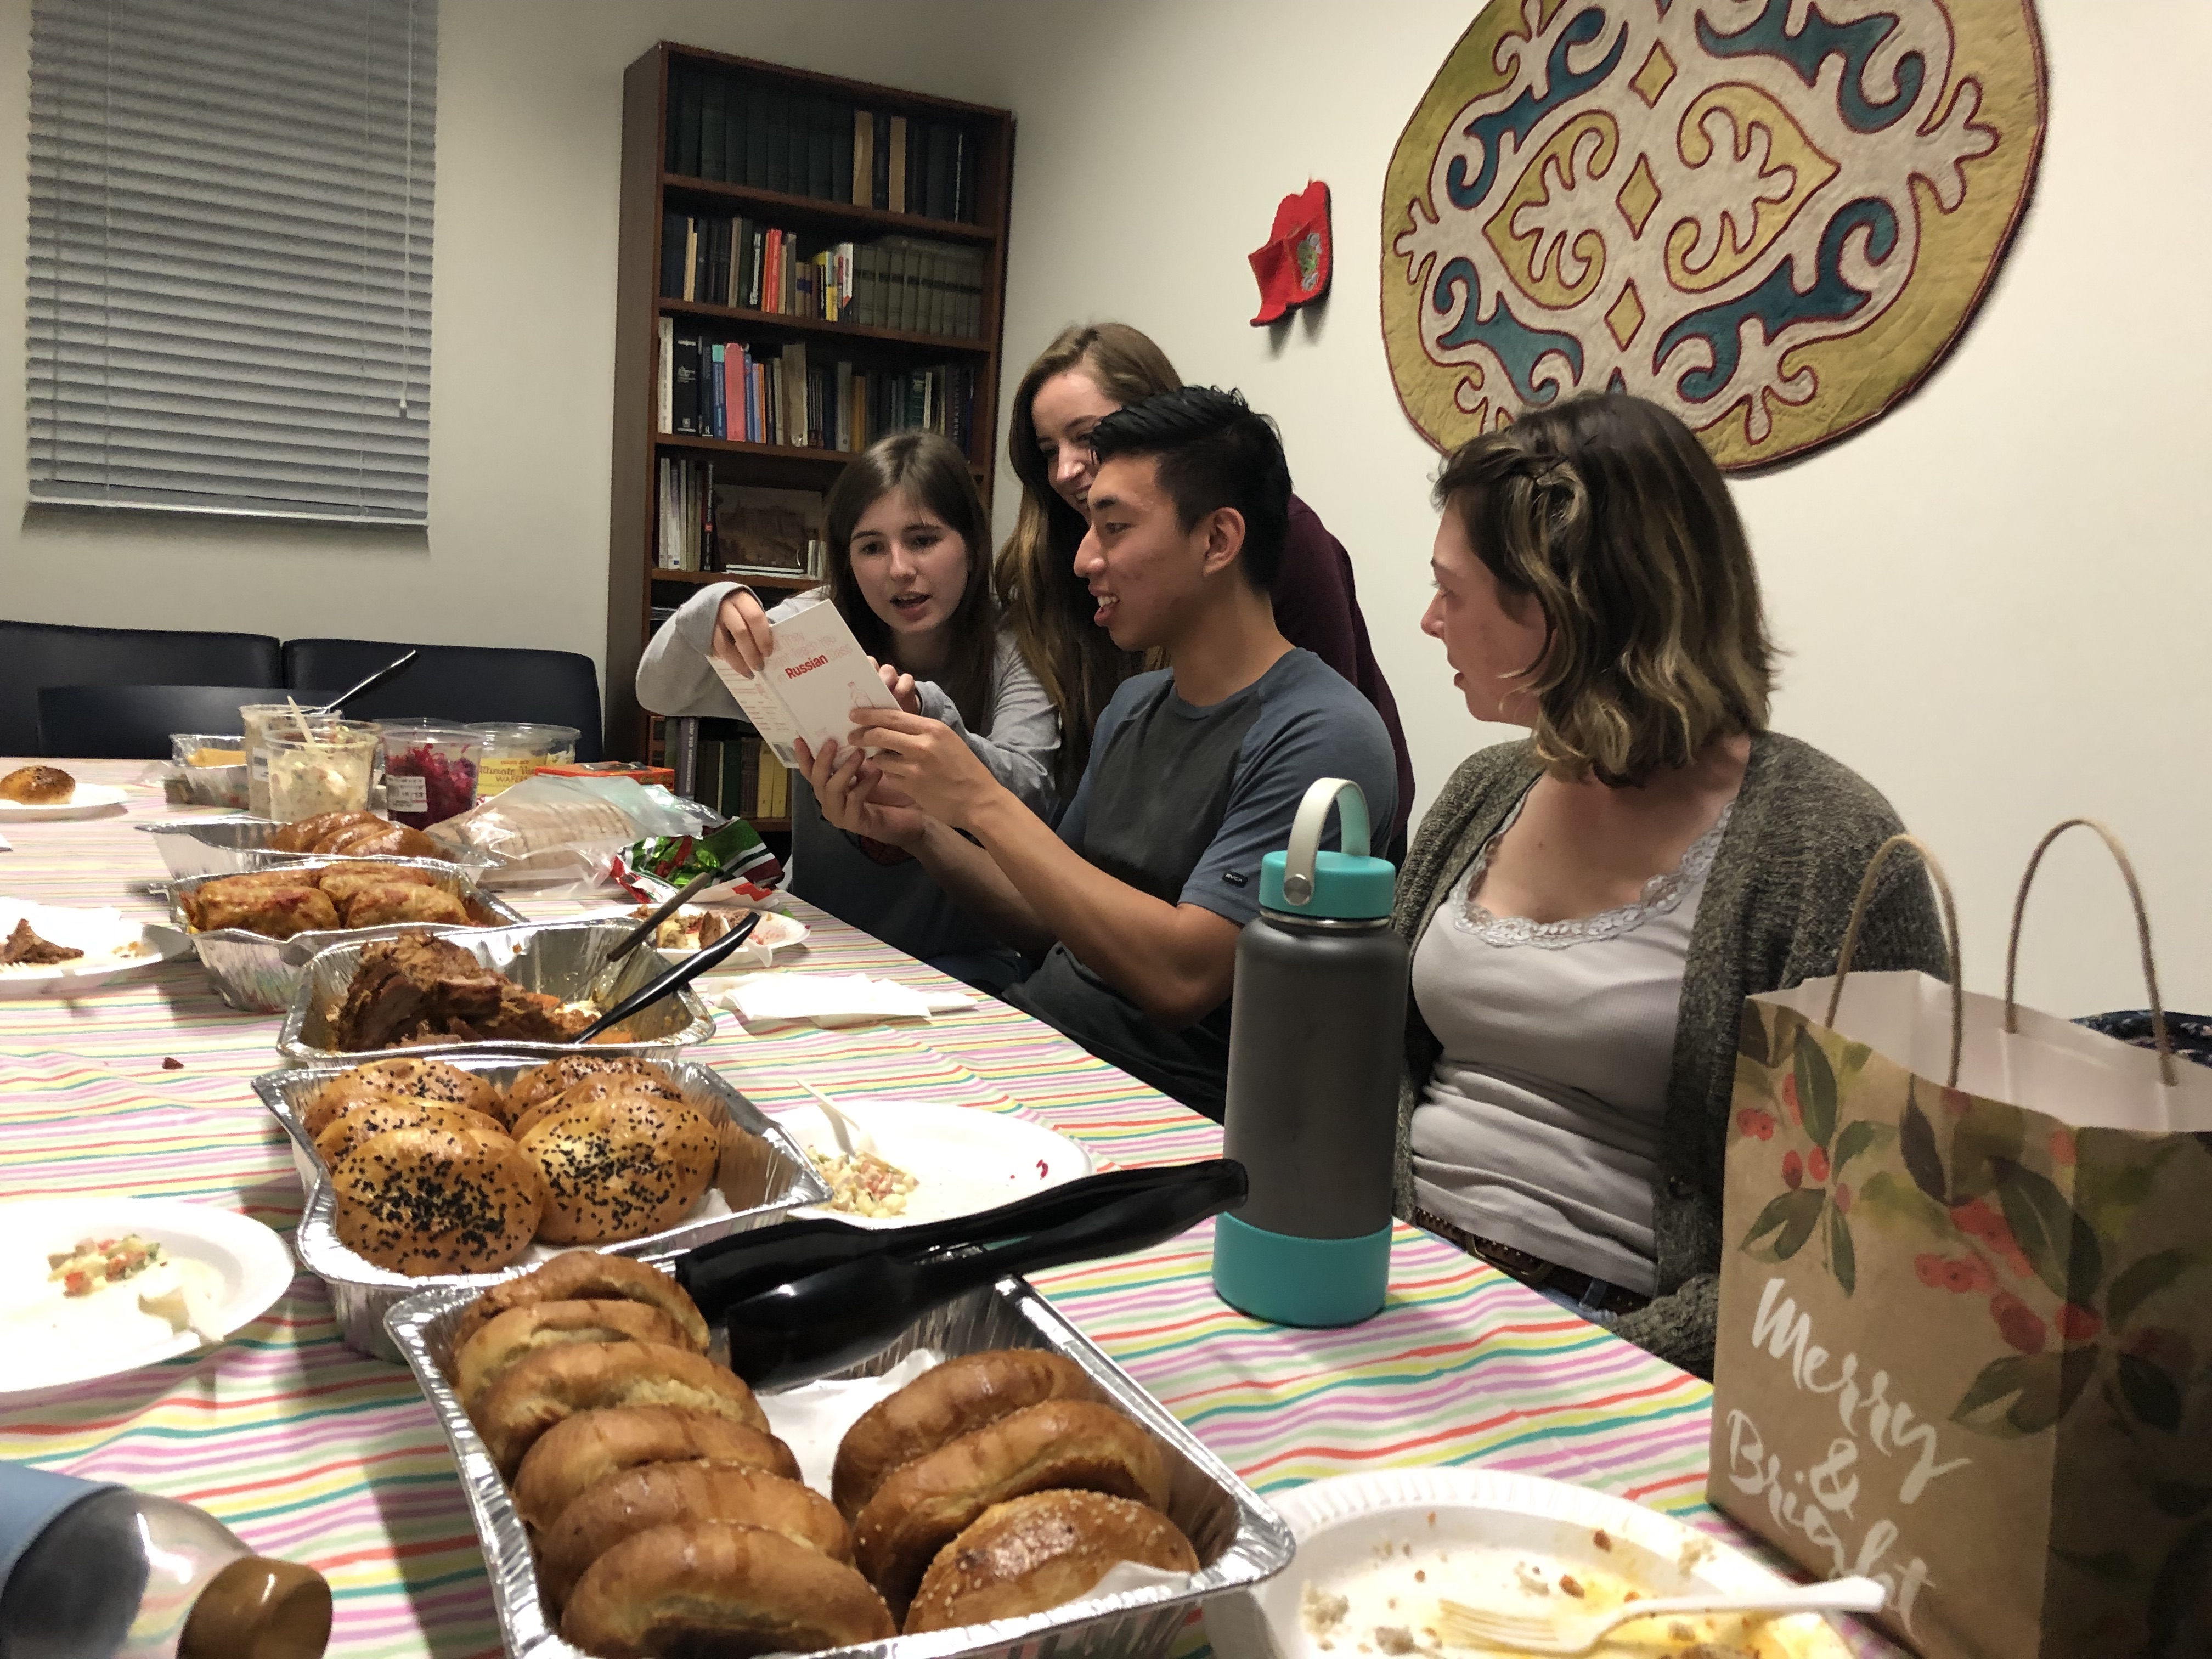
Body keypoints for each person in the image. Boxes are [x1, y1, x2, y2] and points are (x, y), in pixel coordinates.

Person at [1393, 391, 1948, 1379]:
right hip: (1396, 1272)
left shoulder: (1835, 855)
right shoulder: (1486, 789)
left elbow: (1850, 1245)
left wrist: (1573, 1368)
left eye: (1455, 590)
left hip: (1611, 1345)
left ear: (1564, 611)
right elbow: (1370, 1052)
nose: (1429, 619)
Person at [797, 387, 1398, 1121]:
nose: (1083, 559)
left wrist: (979, 800)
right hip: (1033, 1043)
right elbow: (1042, 915)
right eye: (1088, 527)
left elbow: (1182, 978)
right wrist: (920, 830)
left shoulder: (1324, 733)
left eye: (1113, 528)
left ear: (1217, 541)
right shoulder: (1136, 705)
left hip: (1153, 1102)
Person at [635, 429, 1057, 991]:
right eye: (872, 547)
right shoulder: (814, 626)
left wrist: (925, 719)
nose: (899, 569)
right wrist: (709, 610)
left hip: (962, 955)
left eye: (924, 539)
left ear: (973, 544)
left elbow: (1031, 787)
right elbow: (660, 692)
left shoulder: (1016, 644)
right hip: (816, 938)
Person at [999, 323, 1417, 857]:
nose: (1064, 470)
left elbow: (1321, 745)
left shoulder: (1286, 543)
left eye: (1088, 437)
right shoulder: (1057, 552)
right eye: (1048, 449)